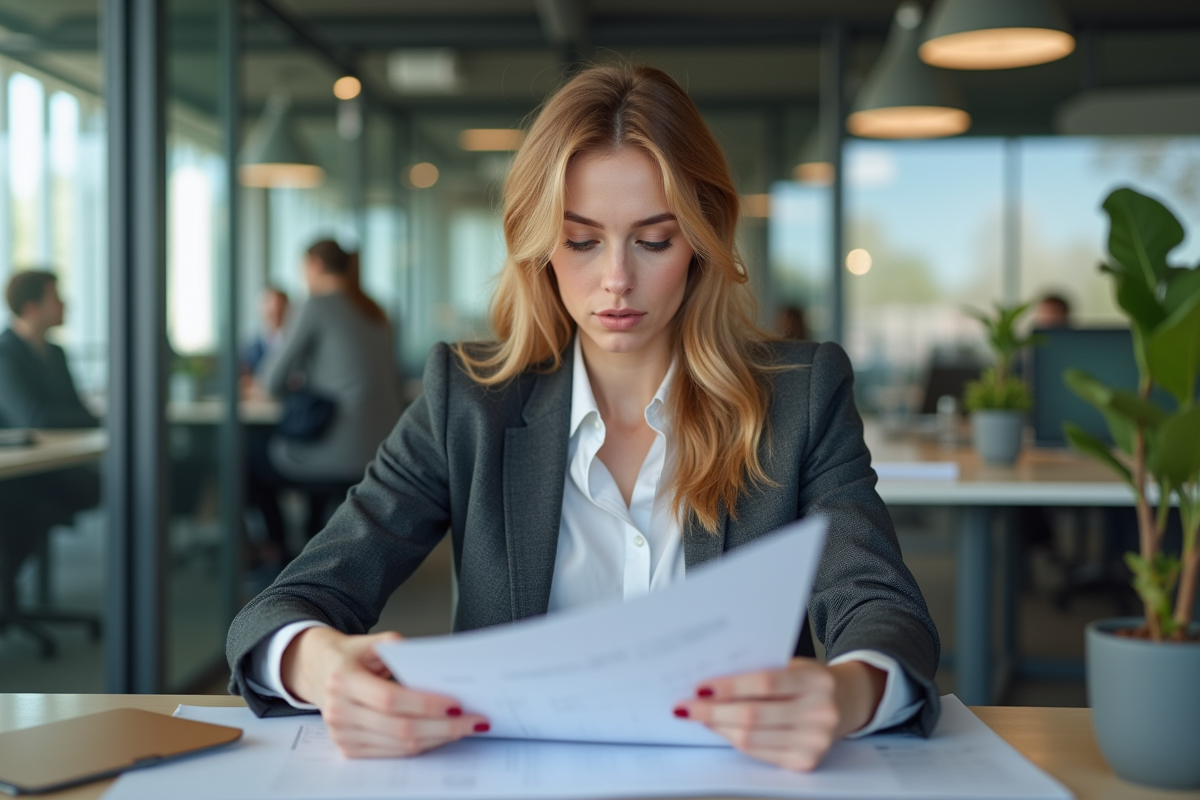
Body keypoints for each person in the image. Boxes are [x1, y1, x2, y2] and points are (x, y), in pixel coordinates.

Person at [227, 65, 939, 772]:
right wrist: (318, 665)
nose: (617, 280)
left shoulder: (799, 395)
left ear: (702, 239)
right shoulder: (468, 399)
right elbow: (293, 600)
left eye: (654, 240)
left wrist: (848, 692)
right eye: (581, 240)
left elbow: (879, 605)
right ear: (538, 244)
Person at [245, 242, 402, 562]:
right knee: (308, 436)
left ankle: (279, 552)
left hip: (335, 449)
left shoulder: (316, 305)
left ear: (314, 265)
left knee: (246, 456)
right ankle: (311, 539)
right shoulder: (375, 309)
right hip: (380, 448)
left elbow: (271, 378)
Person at [241, 286, 289, 377]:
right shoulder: (250, 349)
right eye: (271, 310)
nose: (276, 314)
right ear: (261, 311)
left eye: (279, 309)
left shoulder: (296, 343)